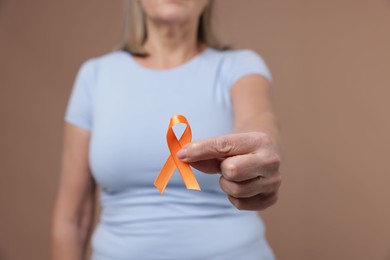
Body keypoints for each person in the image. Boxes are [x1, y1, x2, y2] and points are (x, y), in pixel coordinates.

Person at [51, 0, 282, 259]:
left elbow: (258, 118)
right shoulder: (94, 76)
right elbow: (72, 218)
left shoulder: (239, 66)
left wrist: (258, 148)